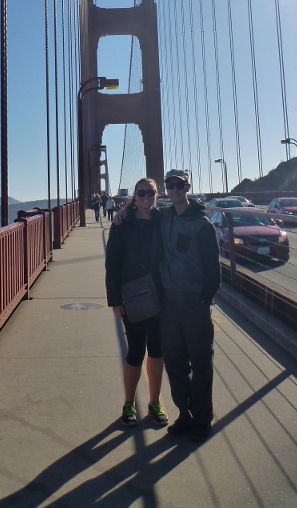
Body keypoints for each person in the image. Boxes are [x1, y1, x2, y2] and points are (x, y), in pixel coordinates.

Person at [157, 169, 221, 442]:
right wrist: (123, 212)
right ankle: (184, 414)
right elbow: (140, 214)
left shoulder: (203, 225)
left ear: (187, 187)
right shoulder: (164, 219)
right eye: (170, 186)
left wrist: (205, 298)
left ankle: (202, 419)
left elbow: (213, 270)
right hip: (169, 306)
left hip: (194, 305)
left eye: (179, 186)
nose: (174, 190)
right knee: (175, 363)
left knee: (201, 363)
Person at [105, 178, 168, 428]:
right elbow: (112, 264)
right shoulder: (122, 223)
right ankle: (129, 403)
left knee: (157, 350)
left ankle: (154, 403)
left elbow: (186, 212)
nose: (146, 197)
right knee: (134, 351)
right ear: (135, 195)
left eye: (150, 192)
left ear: (156, 194)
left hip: (160, 294)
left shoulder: (163, 219)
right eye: (141, 192)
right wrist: (115, 301)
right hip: (132, 296)